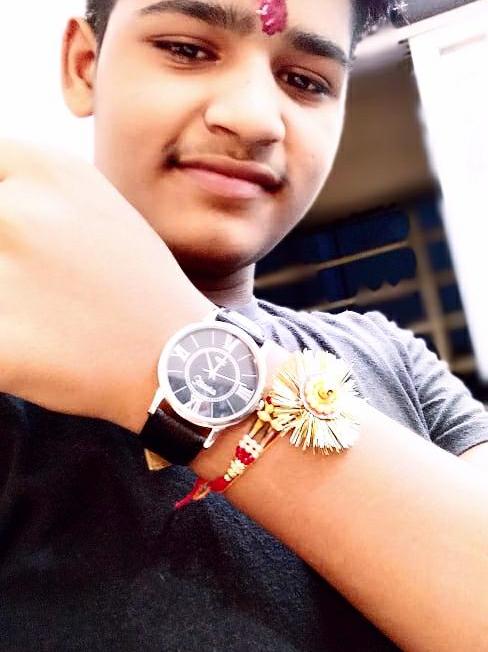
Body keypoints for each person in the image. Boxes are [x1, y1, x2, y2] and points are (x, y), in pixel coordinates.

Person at [0, 0, 487, 650]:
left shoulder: (395, 360)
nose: (256, 118)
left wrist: (170, 351)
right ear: (84, 65)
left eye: (306, 81)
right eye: (187, 50)